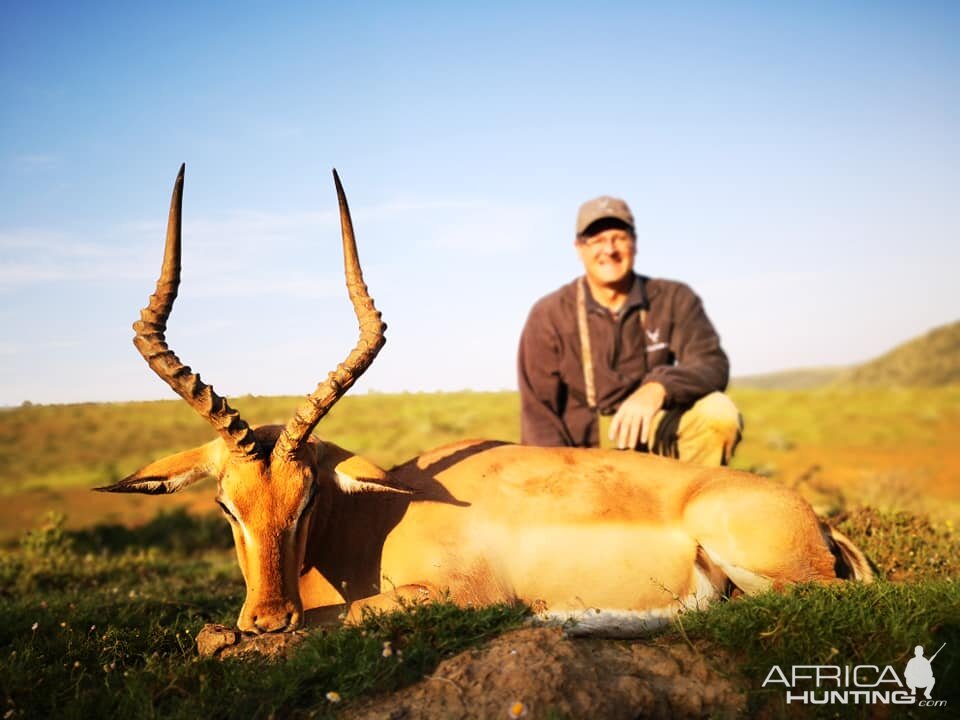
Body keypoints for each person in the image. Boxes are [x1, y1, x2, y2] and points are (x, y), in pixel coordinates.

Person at [517, 194, 742, 467]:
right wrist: (561, 477)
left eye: (619, 238)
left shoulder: (673, 298)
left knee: (718, 414)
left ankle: (686, 502)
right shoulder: (549, 314)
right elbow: (538, 413)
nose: (609, 250)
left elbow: (711, 363)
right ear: (579, 249)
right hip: (583, 455)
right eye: (597, 240)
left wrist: (658, 388)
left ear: (634, 242)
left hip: (656, 435)